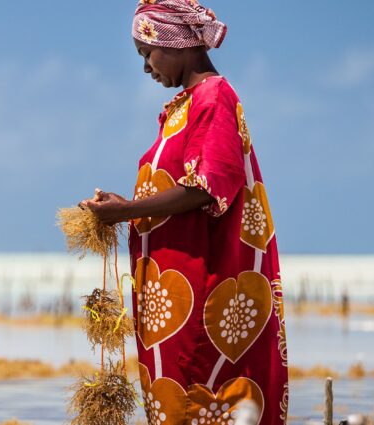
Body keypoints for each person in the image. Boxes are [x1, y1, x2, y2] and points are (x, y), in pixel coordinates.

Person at [83, 1, 288, 422]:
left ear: (176, 43)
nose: (145, 67)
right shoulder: (186, 105)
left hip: (203, 290)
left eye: (147, 53)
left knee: (199, 398)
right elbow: (180, 188)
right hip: (177, 293)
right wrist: (127, 207)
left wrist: (126, 211)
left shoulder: (213, 97)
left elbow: (206, 187)